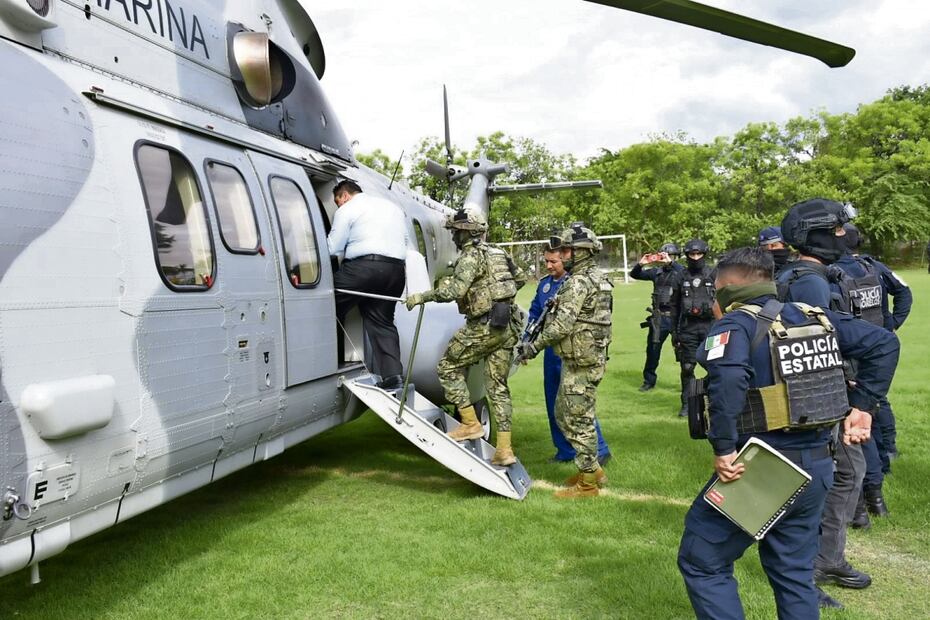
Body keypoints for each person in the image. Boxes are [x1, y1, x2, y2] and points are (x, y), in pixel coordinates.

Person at [678, 246, 899, 620]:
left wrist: (725, 447)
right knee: (794, 573)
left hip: (764, 466)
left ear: (726, 287)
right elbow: (884, 342)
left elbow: (728, 379)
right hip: (817, 466)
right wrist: (863, 406)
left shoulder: (738, 325)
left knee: (703, 560)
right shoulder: (816, 316)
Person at [776, 199, 871, 606]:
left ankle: (826, 559)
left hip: (828, 396)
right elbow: (812, 352)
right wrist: (846, 404)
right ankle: (810, 569)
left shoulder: (810, 274)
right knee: (831, 480)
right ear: (812, 234)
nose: (842, 236)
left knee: (845, 475)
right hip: (821, 400)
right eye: (834, 230)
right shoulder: (808, 281)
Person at [405, 208, 525, 465]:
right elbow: (521, 279)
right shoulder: (498, 252)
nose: (454, 237)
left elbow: (455, 290)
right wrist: (497, 295)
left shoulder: (470, 257)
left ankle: (470, 423)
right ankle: (504, 450)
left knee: (448, 367)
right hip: (506, 326)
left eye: (455, 232)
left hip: (483, 326)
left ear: (465, 233)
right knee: (498, 389)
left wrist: (422, 296)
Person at [517, 223, 613, 498]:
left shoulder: (579, 282)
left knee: (577, 417)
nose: (565, 255)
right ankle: (592, 470)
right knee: (565, 412)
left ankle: (588, 484)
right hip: (586, 355)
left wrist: (531, 348)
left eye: (569, 250)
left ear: (582, 252)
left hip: (581, 359)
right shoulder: (597, 278)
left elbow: (560, 326)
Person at [830, 222, 912, 529]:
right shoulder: (873, 267)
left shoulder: (832, 273)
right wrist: (891, 327)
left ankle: (867, 499)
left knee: (856, 426)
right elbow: (905, 293)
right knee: (874, 407)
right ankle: (876, 492)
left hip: (852, 353)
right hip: (878, 350)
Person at [527, 248, 612, 464]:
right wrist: (528, 341)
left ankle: (599, 450)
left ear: (565, 258)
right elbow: (535, 313)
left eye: (553, 261)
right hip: (550, 348)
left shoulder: (577, 283)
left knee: (578, 402)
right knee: (553, 401)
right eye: (545, 261)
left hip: (575, 350)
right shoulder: (545, 284)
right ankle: (565, 451)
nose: (549, 266)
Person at [327, 180, 408, 390]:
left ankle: (323, 361)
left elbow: (333, 247)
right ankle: (393, 377)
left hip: (364, 268)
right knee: (382, 322)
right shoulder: (392, 208)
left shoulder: (348, 209)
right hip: (396, 271)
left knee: (323, 303)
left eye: (338, 202)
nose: (339, 206)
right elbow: (405, 241)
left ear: (344, 195)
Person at [632, 242, 684, 392]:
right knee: (653, 350)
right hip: (659, 318)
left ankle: (686, 381)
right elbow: (635, 274)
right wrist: (641, 264)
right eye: (664, 256)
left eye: (671, 256)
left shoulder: (681, 272)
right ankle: (649, 380)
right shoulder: (656, 272)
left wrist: (672, 263)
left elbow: (684, 272)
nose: (666, 259)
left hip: (676, 317)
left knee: (683, 351)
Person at [673, 239, 716, 417]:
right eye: (692, 254)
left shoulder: (713, 273)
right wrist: (674, 333)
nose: (696, 257)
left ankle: (714, 400)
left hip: (710, 328)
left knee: (714, 366)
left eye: (699, 254)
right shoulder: (680, 276)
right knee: (687, 367)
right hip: (688, 328)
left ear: (704, 254)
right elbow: (674, 306)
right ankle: (687, 404)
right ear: (687, 256)